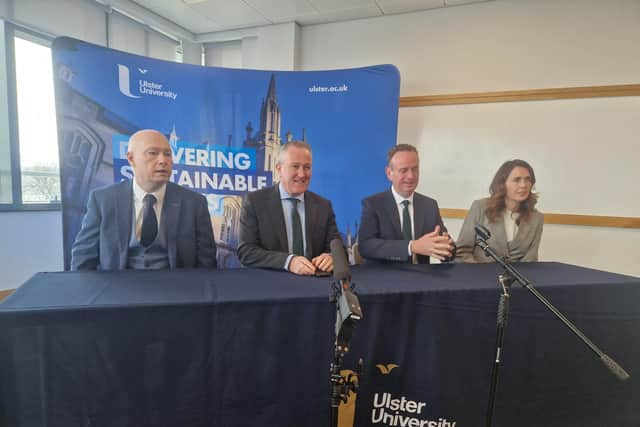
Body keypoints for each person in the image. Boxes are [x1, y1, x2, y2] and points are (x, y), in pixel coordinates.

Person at [71, 129, 217, 270]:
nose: (163, 160)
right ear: (131, 159)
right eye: (152, 153)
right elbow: (83, 258)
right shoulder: (102, 200)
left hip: (177, 290)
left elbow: (207, 264)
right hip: (119, 290)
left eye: (167, 154)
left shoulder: (194, 203)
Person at [237, 141, 339, 275]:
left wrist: (331, 257)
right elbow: (246, 252)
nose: (302, 174)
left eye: (307, 167)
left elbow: (338, 247)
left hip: (315, 285)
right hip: (271, 285)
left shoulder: (323, 206)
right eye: (295, 166)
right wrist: (288, 262)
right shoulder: (255, 202)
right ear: (279, 169)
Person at [358, 144, 455, 264]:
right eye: (404, 170)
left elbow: (447, 249)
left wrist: (446, 247)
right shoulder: (373, 204)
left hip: (422, 278)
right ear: (389, 173)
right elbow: (366, 246)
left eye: (415, 169)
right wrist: (411, 247)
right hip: (384, 278)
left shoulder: (429, 205)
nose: (411, 176)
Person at [456, 159, 543, 263]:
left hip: (517, 277)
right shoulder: (480, 207)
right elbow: (462, 251)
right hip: (478, 274)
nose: (523, 185)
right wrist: (478, 274)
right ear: (502, 184)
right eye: (517, 180)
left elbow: (530, 259)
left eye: (528, 179)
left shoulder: (537, 218)